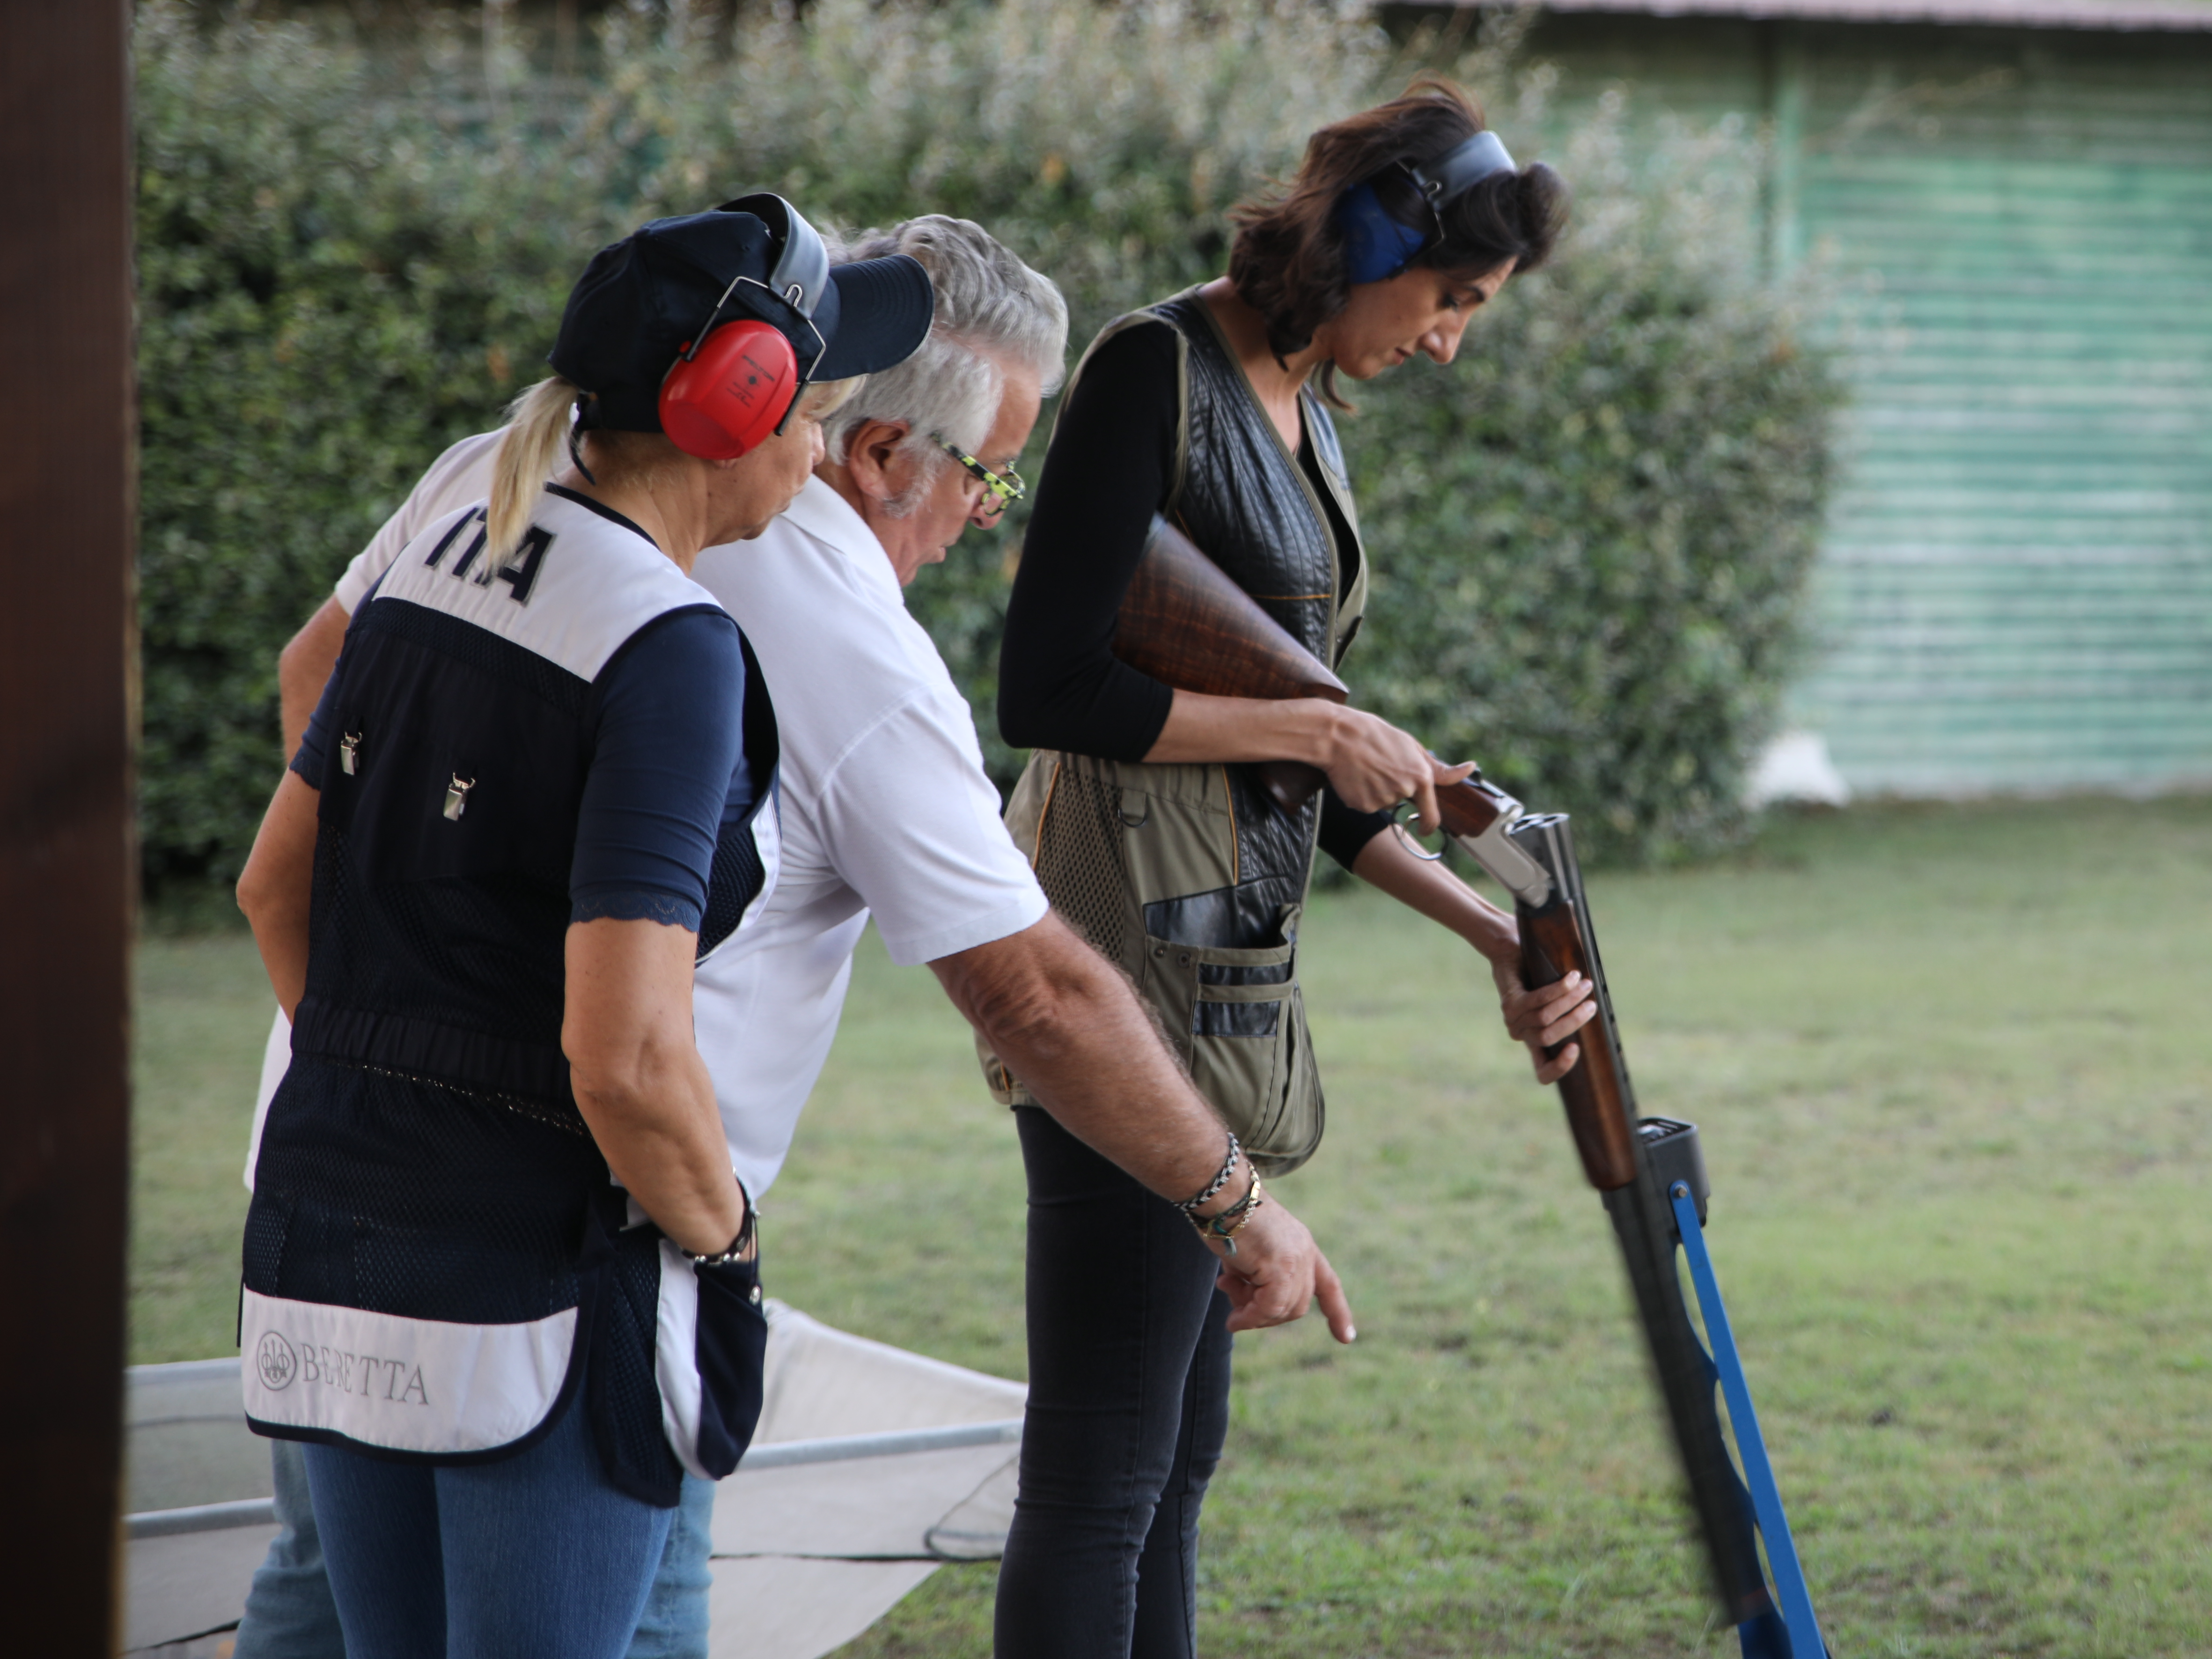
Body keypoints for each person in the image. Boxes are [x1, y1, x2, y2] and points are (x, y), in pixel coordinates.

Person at [233, 215, 1351, 1659]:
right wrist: (725, 1246)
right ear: (820, 429)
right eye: (993, 477)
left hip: (330, 1182)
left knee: (323, 1608)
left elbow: (295, 781)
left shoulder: (486, 478)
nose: (828, 439)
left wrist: (369, 1055)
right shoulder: (699, 642)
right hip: (572, 1251)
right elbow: (1022, 996)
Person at [985, 81, 1595, 1657]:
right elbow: (1047, 686)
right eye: (1451, 297)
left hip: (1224, 974)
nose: (1453, 337)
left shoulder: (1307, 409)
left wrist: (1488, 936)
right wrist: (1320, 735)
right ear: (1377, 239)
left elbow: (1299, 762)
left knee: (1172, 1467)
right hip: (1115, 962)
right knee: (1103, 1476)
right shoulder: (1151, 369)